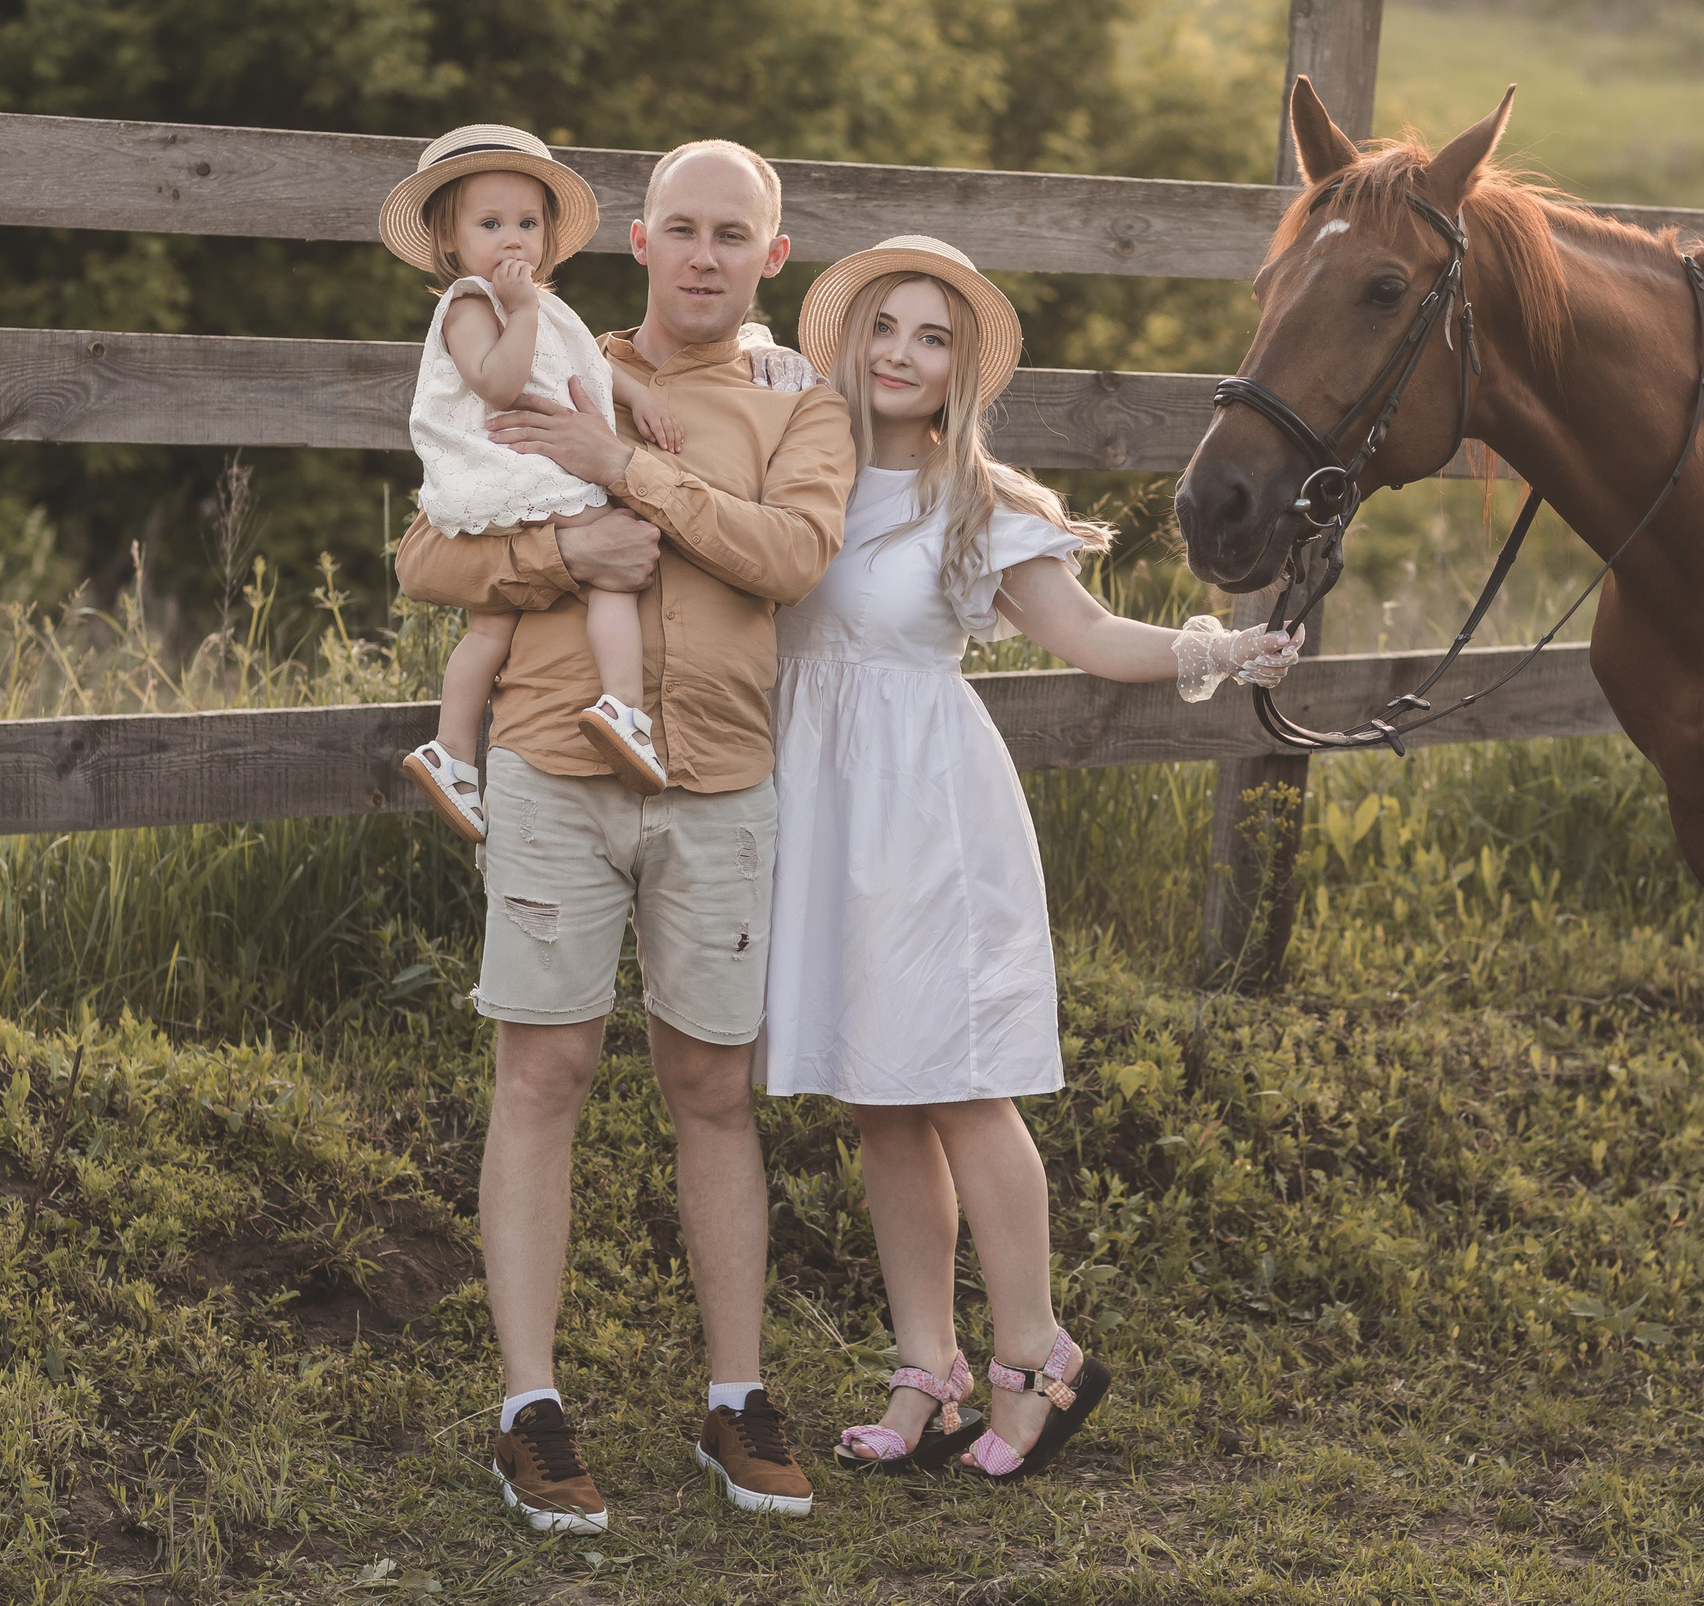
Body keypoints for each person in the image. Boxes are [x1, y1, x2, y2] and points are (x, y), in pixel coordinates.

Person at [762, 235, 1297, 1481]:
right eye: (883, 326)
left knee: (957, 1082)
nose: (901, 353)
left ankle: (1034, 1350)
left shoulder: (980, 503)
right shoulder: (796, 470)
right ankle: (926, 1368)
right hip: (822, 807)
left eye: (932, 337)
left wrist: (1218, 649)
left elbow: (1091, 634)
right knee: (877, 1090)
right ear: (845, 341)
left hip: (926, 812)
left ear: (961, 371)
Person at [394, 137, 852, 1533]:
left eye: (733, 233)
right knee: (544, 1070)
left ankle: (735, 1395)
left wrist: (625, 473)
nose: (705, 254)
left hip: (718, 776)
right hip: (552, 762)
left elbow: (789, 557)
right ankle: (529, 1406)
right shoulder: (550, 358)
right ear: (640, 242)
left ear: (772, 257)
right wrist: (563, 550)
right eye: (682, 228)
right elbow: (425, 553)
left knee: (712, 1082)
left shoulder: (799, 407)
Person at [385, 125, 692, 833]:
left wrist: (639, 396)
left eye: (527, 224)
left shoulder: (545, 309)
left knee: (491, 626)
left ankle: (451, 751)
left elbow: (586, 364)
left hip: (530, 471)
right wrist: (520, 310)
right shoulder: (470, 304)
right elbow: (497, 384)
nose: (513, 241)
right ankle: (625, 708)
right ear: (450, 238)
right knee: (616, 565)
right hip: (513, 470)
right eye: (490, 225)